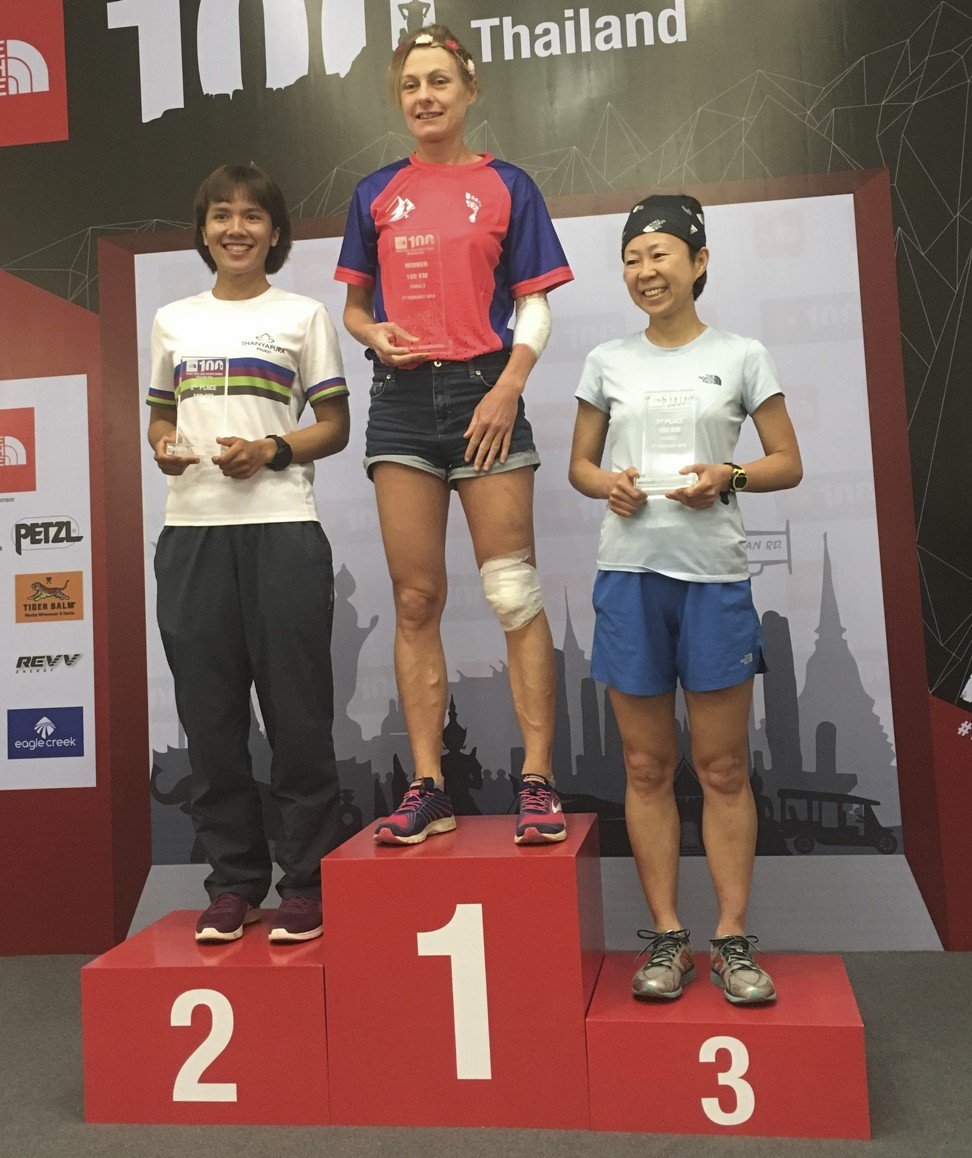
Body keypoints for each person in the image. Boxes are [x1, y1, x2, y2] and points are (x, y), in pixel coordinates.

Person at [335, 25, 573, 846]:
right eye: (411, 86)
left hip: (485, 392)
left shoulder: (507, 185)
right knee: (414, 599)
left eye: (439, 82)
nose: (425, 97)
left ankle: (537, 783)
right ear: (400, 98)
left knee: (514, 592)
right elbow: (357, 309)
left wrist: (509, 385)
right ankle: (428, 786)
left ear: (470, 92)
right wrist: (371, 336)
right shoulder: (375, 193)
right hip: (401, 403)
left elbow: (535, 302)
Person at [568, 194, 803, 1003]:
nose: (645, 271)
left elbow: (785, 461)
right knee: (643, 765)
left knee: (724, 767)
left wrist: (726, 476)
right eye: (633, 258)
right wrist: (612, 487)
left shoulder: (741, 355)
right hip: (629, 578)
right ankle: (667, 936)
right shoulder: (606, 360)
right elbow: (581, 468)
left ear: (699, 263)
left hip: (714, 579)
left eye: (661, 254)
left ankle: (731, 938)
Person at [147, 164, 350, 943]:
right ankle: (234, 881)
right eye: (222, 216)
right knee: (211, 722)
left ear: (275, 230)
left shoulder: (303, 316)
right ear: (203, 230)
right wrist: (165, 447)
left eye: (253, 216)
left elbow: (331, 426)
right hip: (192, 535)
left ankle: (306, 882)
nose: (237, 228)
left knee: (298, 718)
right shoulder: (173, 321)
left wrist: (272, 447)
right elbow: (159, 422)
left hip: (282, 528)